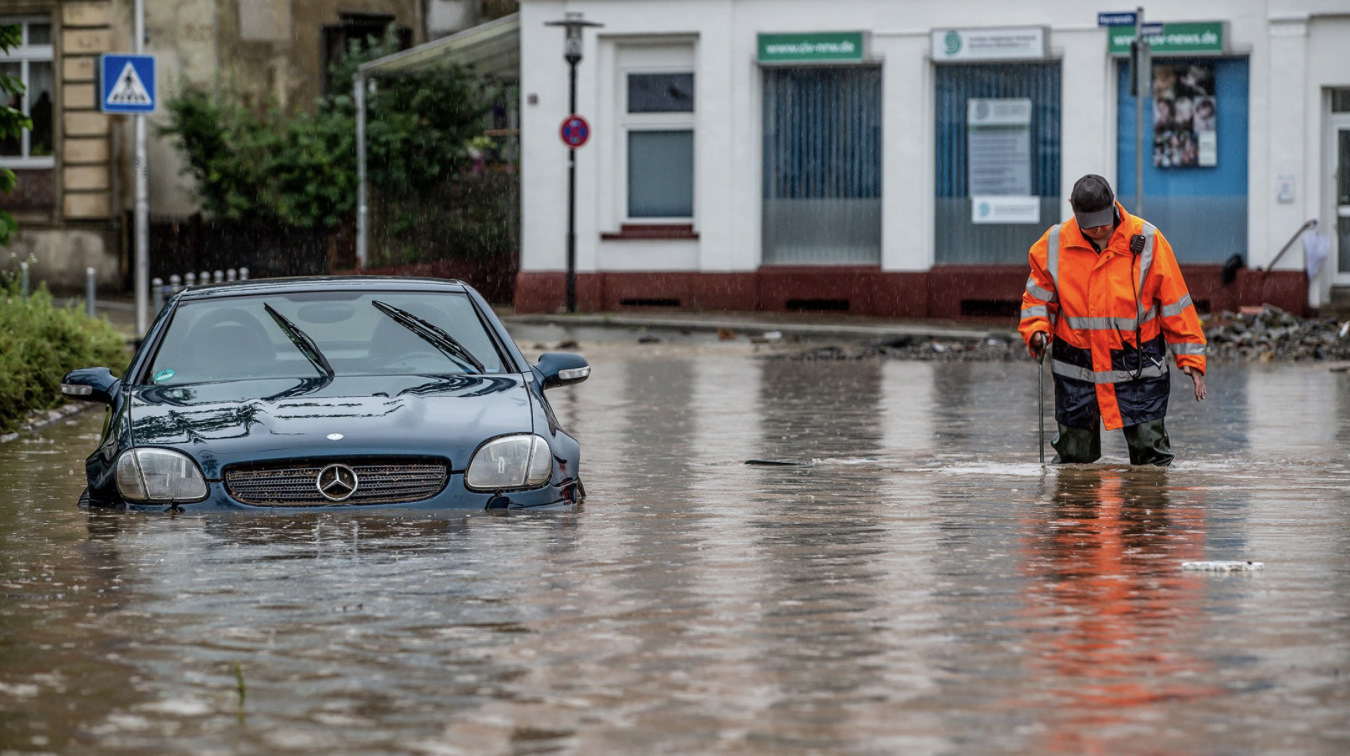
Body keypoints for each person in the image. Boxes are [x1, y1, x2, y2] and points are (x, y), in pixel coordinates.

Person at [1019, 174, 1207, 466]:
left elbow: (1175, 304)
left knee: (1151, 458)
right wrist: (1036, 330)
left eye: (1103, 223)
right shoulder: (1053, 244)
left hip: (1139, 366)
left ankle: (1149, 509)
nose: (1097, 230)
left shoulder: (1148, 241)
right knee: (1074, 460)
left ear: (1114, 204)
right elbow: (1037, 300)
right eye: (1089, 225)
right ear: (1073, 210)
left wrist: (1192, 361)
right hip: (1077, 369)